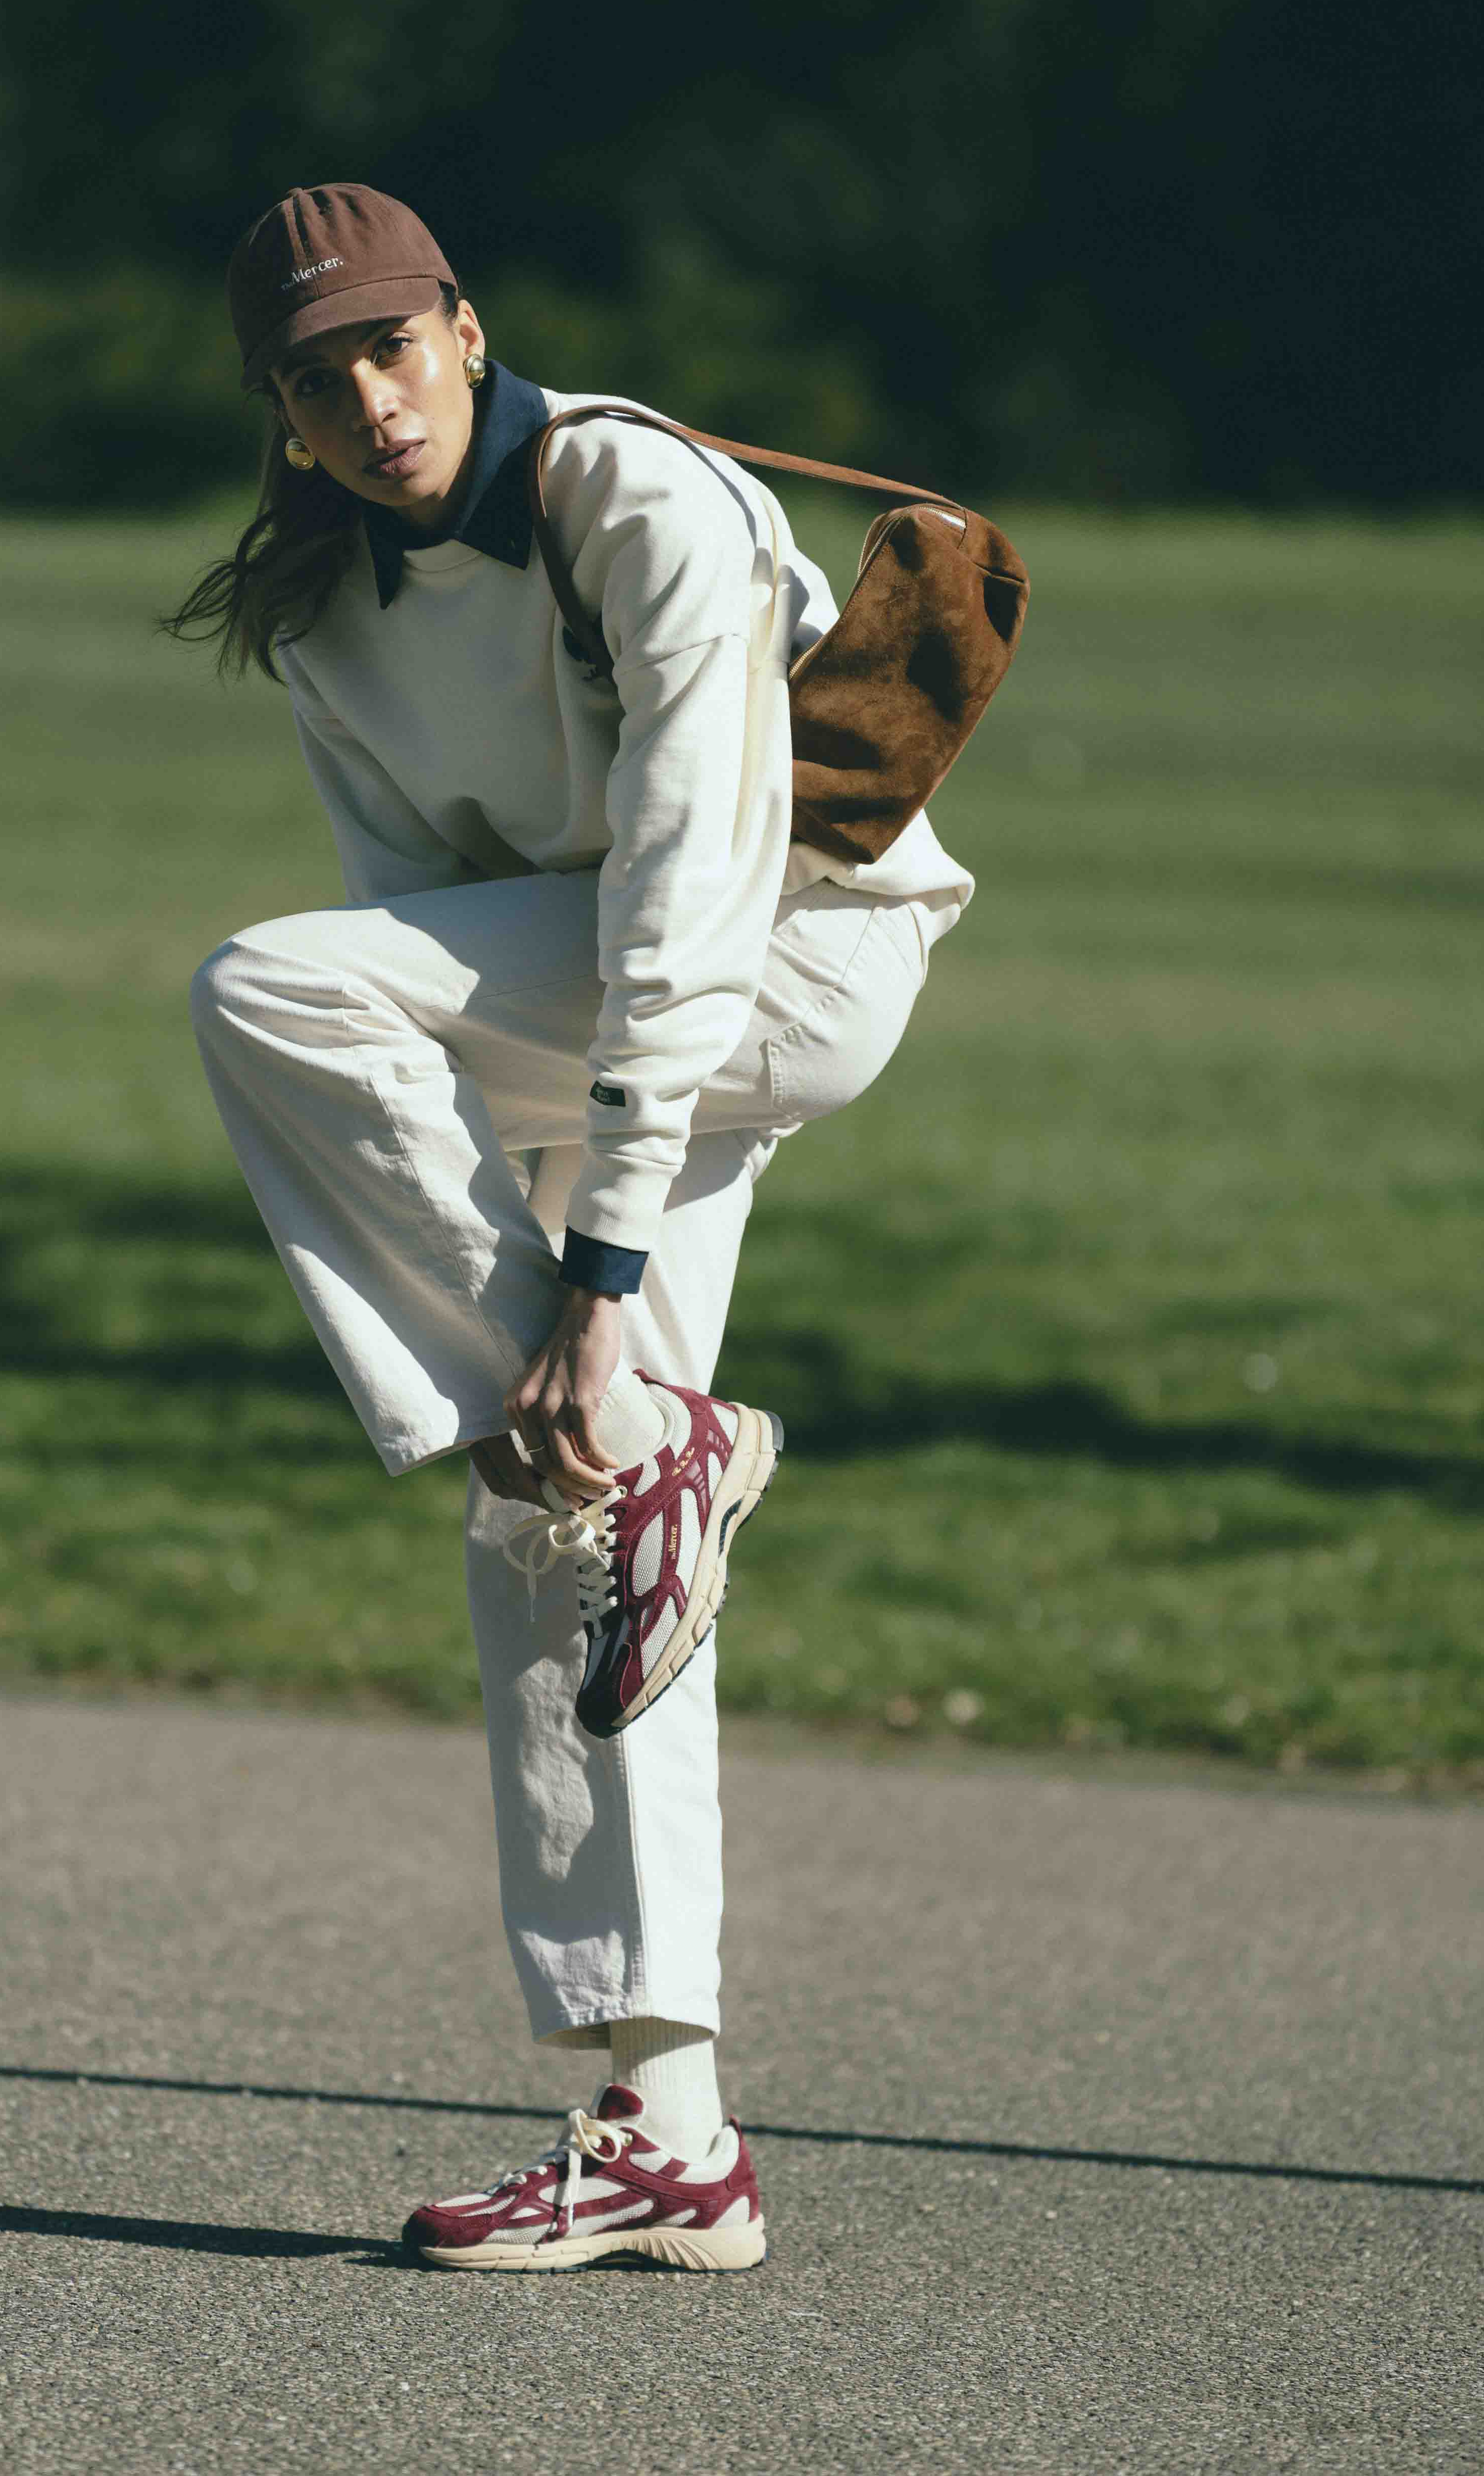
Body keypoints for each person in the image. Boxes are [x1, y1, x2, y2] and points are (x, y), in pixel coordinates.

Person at [166, 183, 973, 2272]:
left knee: (265, 988)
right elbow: (432, 944)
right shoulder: (326, 611)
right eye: (315, 378)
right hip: (594, 1018)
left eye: (389, 345)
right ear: (278, 414)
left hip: (784, 964)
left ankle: (655, 1436)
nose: (368, 400)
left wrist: (593, 1275)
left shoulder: (637, 500)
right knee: (561, 1518)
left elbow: (689, 893)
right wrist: (564, 1341)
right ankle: (664, 2133)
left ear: (462, 325)